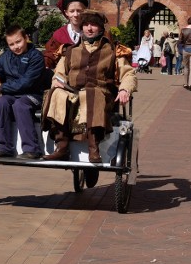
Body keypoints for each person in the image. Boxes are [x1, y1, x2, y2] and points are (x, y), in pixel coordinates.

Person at [42, 10, 137, 162]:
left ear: (100, 28)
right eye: (86, 25)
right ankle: (62, 147)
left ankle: (94, 148)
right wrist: (57, 82)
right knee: (57, 94)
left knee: (92, 93)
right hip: (73, 91)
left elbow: (128, 74)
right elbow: (59, 74)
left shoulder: (113, 50)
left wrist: (125, 89)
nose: (89, 28)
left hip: (102, 92)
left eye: (93, 25)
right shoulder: (70, 50)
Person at [0, 25, 47, 159]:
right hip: (12, 95)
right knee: (1, 102)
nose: (16, 47)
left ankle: (32, 149)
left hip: (34, 94)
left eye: (18, 42)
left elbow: (27, 82)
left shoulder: (36, 57)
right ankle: (4, 147)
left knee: (20, 105)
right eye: (11, 44)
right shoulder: (6, 56)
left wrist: (2, 88)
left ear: (26, 38)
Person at [43, 0, 88, 69]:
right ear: (66, 12)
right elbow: (50, 56)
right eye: (72, 11)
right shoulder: (59, 35)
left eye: (79, 10)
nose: (76, 14)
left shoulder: (93, 31)